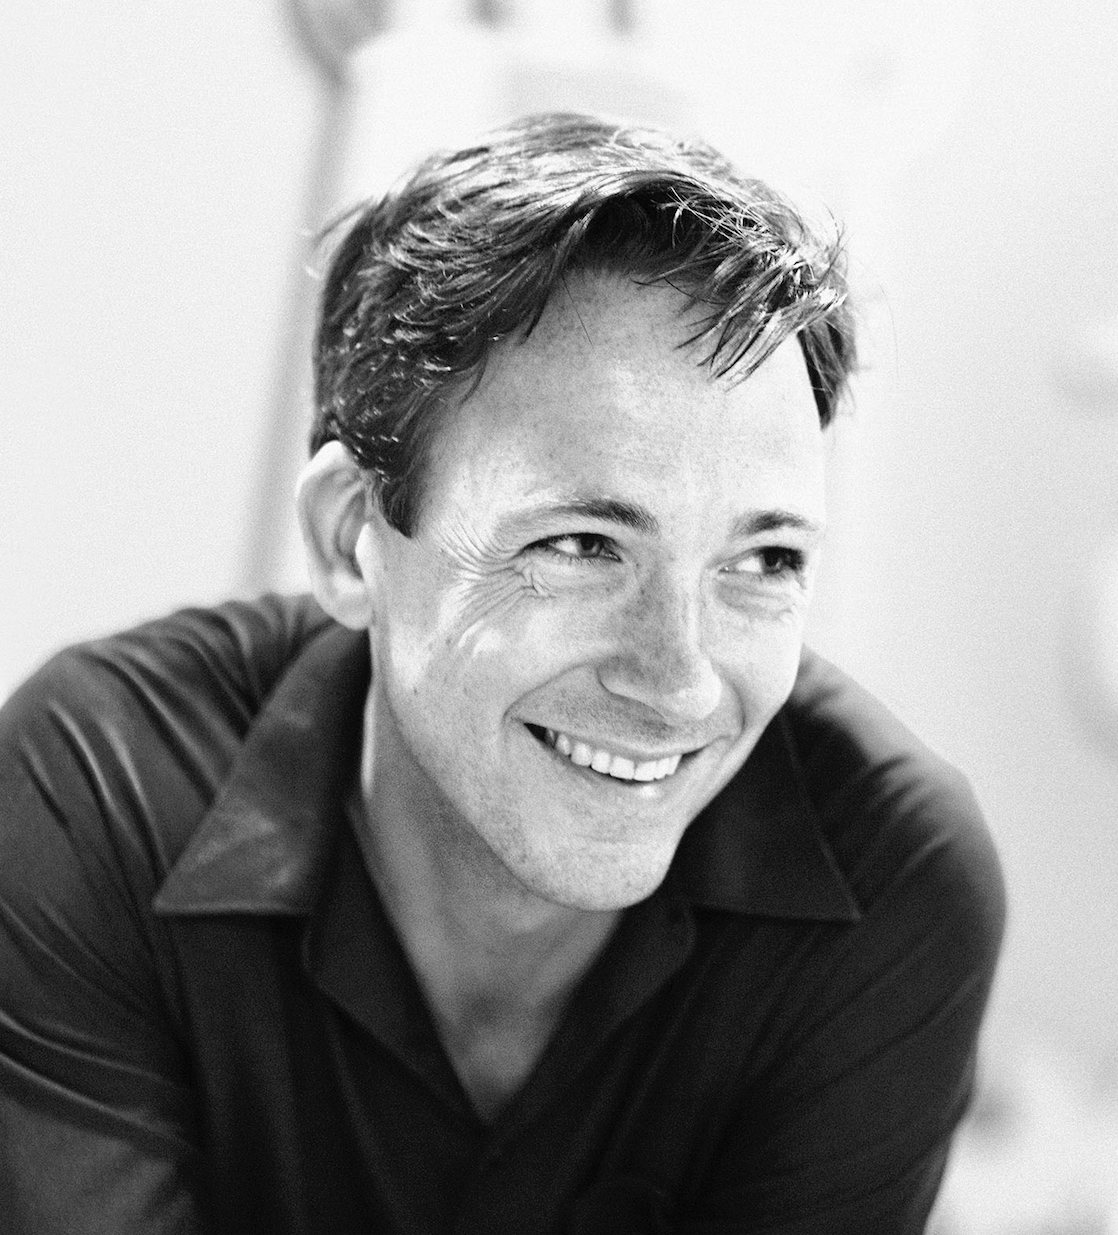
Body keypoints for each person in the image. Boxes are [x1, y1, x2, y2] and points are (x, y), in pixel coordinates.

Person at [0, 113, 1004, 1234]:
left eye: (763, 560)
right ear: (349, 536)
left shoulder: (890, 878)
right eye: (580, 545)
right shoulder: (97, 794)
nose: (679, 681)